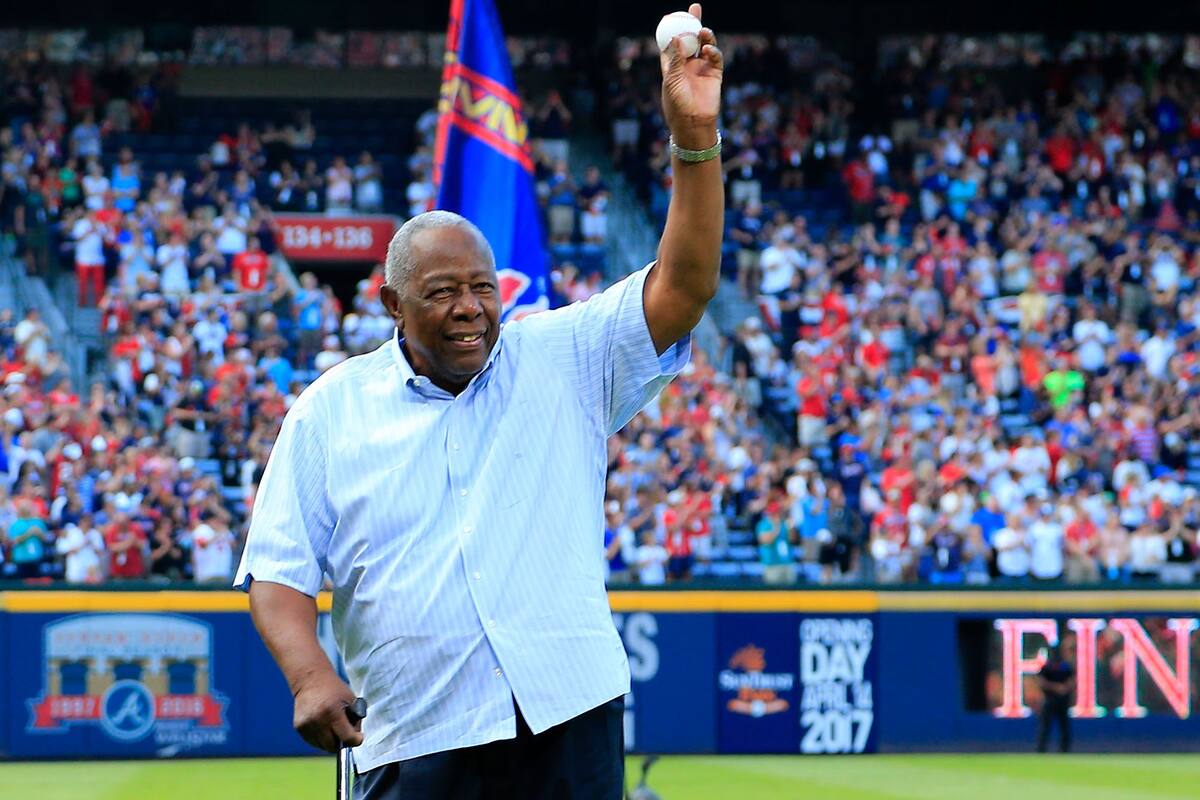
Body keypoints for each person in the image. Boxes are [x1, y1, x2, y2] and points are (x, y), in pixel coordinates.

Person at [235, 10, 724, 798]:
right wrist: (308, 675)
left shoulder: (561, 355)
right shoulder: (330, 409)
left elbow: (688, 284)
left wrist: (694, 139)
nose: (469, 307)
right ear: (392, 304)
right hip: (416, 734)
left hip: (569, 716)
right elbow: (277, 572)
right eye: (442, 293)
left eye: (481, 288)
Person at [1036, 645, 1075, 753]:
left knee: (1061, 726)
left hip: (1057, 700)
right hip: (1053, 700)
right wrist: (1058, 688)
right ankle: (1043, 749)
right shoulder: (1053, 667)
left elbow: (1072, 680)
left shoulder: (1062, 667)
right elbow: (1042, 682)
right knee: (1049, 726)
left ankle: (1061, 749)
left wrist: (1062, 688)